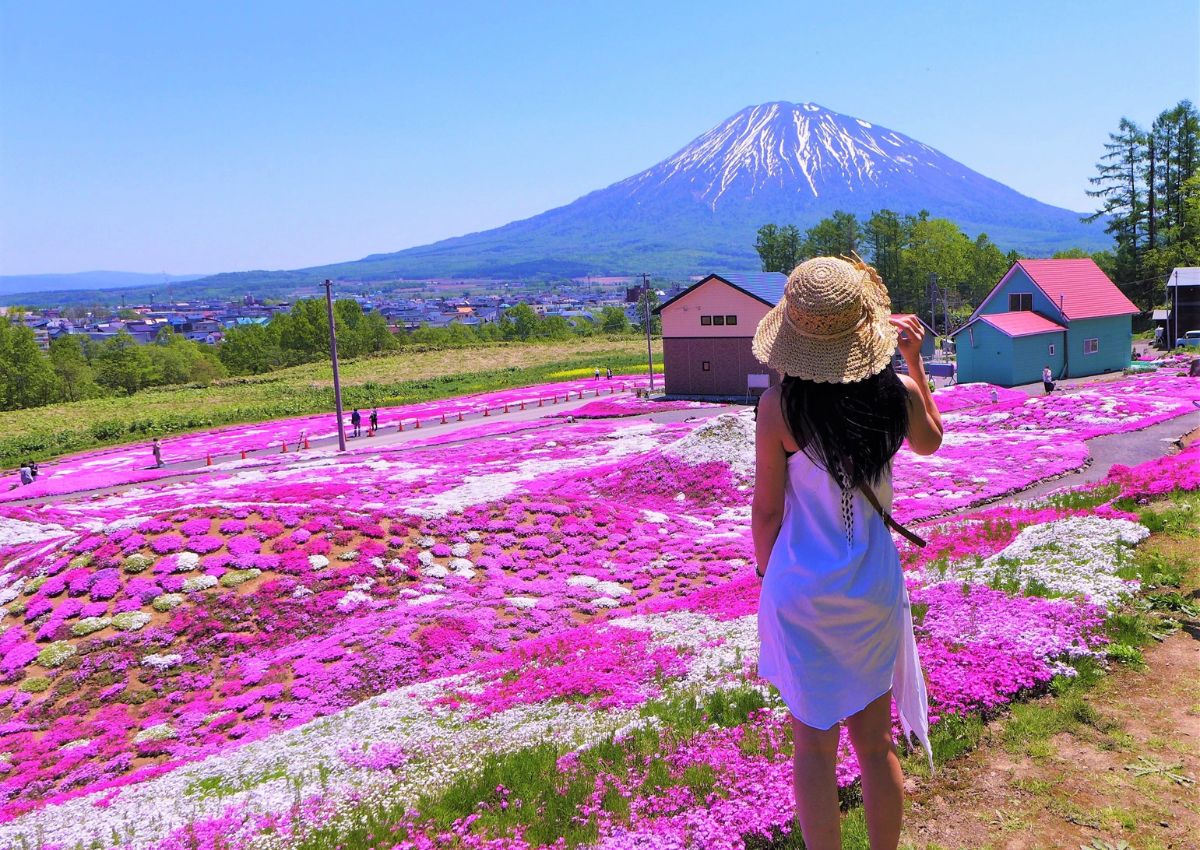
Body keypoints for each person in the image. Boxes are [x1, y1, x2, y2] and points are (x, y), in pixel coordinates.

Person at [750, 256, 943, 850]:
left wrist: (768, 577)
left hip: (801, 589)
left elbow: (768, 512)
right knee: (875, 741)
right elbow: (931, 441)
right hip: (873, 586)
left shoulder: (779, 408)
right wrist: (913, 362)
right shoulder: (897, 394)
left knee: (811, 745)